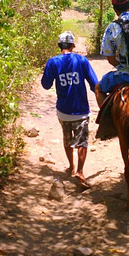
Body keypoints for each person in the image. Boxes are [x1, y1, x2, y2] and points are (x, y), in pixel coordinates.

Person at [41, 31, 98, 188]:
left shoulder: (53, 62)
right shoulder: (81, 60)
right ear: (73, 45)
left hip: (63, 111)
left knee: (67, 140)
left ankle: (71, 166)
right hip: (81, 110)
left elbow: (45, 85)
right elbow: (94, 84)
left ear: (59, 46)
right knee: (82, 142)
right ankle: (80, 170)